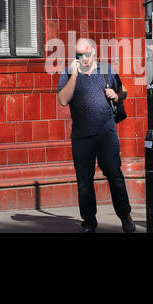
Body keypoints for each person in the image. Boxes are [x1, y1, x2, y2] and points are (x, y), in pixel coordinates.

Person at [57, 37, 135, 232]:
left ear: (94, 52)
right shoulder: (68, 73)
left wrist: (117, 96)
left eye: (86, 54)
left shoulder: (107, 70)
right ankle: (89, 223)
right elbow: (63, 100)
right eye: (78, 55)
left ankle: (125, 216)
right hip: (82, 136)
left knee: (114, 175)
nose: (83, 58)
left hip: (105, 133)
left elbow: (124, 91)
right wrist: (74, 76)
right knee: (84, 182)